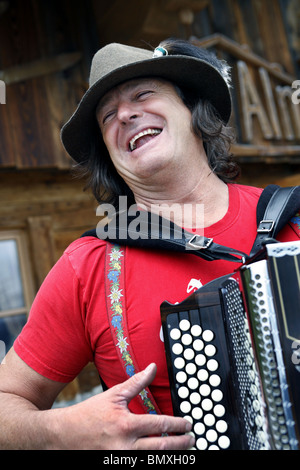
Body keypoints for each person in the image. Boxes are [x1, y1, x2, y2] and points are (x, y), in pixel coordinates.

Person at [0, 38, 299, 450]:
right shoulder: (87, 267)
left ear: (192, 111)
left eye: (144, 94)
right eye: (108, 116)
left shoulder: (291, 220)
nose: (125, 114)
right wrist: (64, 432)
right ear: (110, 154)